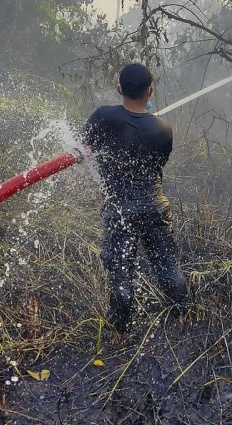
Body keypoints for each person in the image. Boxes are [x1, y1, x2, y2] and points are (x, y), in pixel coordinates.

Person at [82, 63, 187, 334]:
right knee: (169, 270)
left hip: (120, 212)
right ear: (150, 91)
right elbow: (159, 163)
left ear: (119, 89)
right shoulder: (163, 128)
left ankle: (122, 332)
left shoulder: (104, 116)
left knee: (121, 276)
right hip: (155, 207)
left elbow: (84, 150)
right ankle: (183, 317)